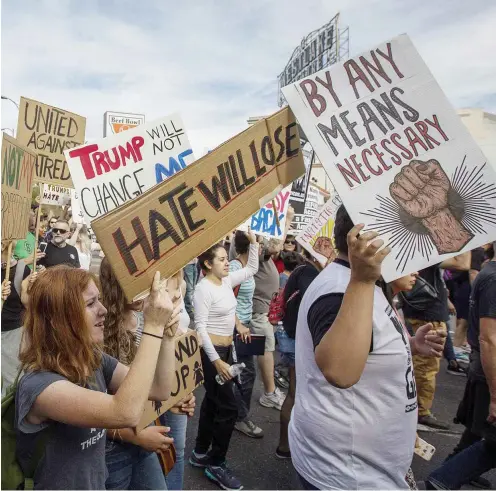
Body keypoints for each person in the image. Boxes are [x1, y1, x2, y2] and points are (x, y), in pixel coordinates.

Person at [289, 205, 445, 490]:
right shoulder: (342, 289)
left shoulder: (360, 284)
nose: (415, 259)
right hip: (349, 474)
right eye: (400, 233)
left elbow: (362, 346)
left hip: (361, 468)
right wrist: (361, 279)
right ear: (367, 238)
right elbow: (340, 370)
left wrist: (408, 345)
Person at [15, 266, 179, 489]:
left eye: (99, 301)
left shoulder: (93, 360)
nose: (103, 310)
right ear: (59, 318)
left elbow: (159, 390)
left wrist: (166, 336)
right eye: (90, 304)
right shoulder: (40, 386)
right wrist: (153, 325)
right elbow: (125, 413)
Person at [99, 259, 194, 490]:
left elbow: (155, 387)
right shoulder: (97, 330)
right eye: (138, 283)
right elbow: (89, 410)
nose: (149, 289)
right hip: (112, 450)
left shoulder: (147, 320)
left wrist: (176, 397)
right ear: (117, 285)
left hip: (145, 438)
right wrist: (133, 436)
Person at [190, 229, 258, 490]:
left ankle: (199, 452)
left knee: (213, 401)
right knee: (229, 407)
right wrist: (216, 361)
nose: (226, 262)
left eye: (225, 257)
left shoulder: (227, 281)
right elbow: (201, 327)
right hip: (213, 355)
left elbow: (251, 267)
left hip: (226, 351)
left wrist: (252, 243)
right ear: (208, 264)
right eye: (220, 259)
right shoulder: (203, 288)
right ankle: (216, 463)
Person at [426, 242, 496, 490]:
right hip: (488, 370)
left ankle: (446, 476)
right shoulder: (492, 277)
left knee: (479, 435)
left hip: (484, 368)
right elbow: (489, 338)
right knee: (486, 437)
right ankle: (445, 477)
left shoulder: (488, 273)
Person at [401, 253, 470, 430]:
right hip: (427, 314)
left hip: (425, 311)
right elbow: (462, 263)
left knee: (424, 365)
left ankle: (418, 409)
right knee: (425, 367)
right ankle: (420, 411)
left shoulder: (423, 252)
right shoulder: (426, 252)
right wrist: (464, 233)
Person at [276, 248, 321, 459]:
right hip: (297, 340)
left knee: (295, 394)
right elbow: (313, 302)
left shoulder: (303, 270)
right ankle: (284, 446)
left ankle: (287, 445)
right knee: (295, 395)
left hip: (293, 337)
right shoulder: (309, 272)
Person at [229, 231, 263, 439]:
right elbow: (224, 298)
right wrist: (239, 324)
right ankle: (239, 418)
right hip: (237, 327)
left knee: (245, 371)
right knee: (246, 371)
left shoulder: (247, 268)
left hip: (246, 325)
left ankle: (235, 414)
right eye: (255, 246)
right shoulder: (234, 267)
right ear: (249, 248)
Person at [1, 244, 40, 393]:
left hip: (12, 333)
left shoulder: (21, 269)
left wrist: (28, 288)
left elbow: (28, 304)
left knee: (10, 381)